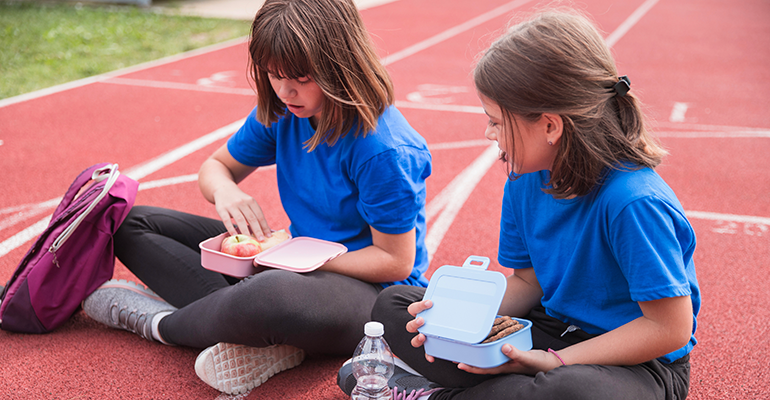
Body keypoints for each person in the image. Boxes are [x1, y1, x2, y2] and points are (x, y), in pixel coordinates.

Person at [338, 10, 700, 400]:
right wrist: (451, 319)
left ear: (549, 126)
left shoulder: (633, 202)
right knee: (397, 305)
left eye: (496, 121)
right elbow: (529, 282)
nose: (488, 133)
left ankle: (429, 393)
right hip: (548, 328)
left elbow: (668, 330)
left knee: (569, 391)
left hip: (633, 361)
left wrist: (554, 362)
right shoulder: (525, 176)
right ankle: (491, 385)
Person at [82, 0, 432, 395]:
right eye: (272, 74)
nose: (284, 90)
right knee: (129, 222)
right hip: (291, 263)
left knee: (269, 296)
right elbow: (215, 167)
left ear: (339, 64)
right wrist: (226, 191)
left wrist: (303, 261)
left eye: (299, 77)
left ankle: (158, 324)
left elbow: (394, 260)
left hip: (370, 295)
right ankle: (252, 331)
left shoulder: (382, 149)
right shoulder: (286, 110)